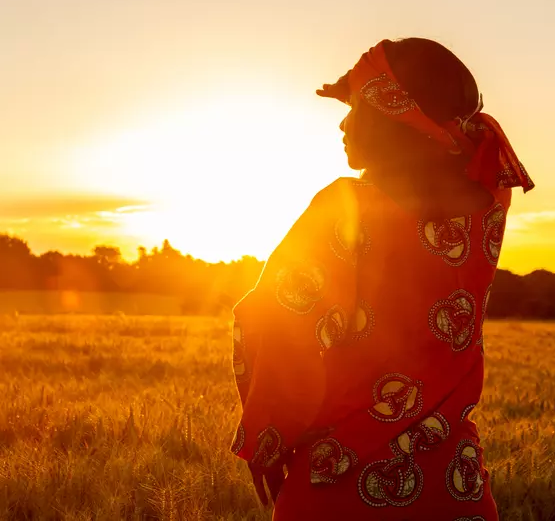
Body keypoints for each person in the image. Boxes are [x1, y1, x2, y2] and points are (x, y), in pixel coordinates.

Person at [228, 38, 534, 520]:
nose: (344, 123)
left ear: (400, 118)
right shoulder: (492, 202)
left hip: (341, 484)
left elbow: (278, 321)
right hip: (456, 486)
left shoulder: (345, 209)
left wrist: (267, 435)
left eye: (359, 109)